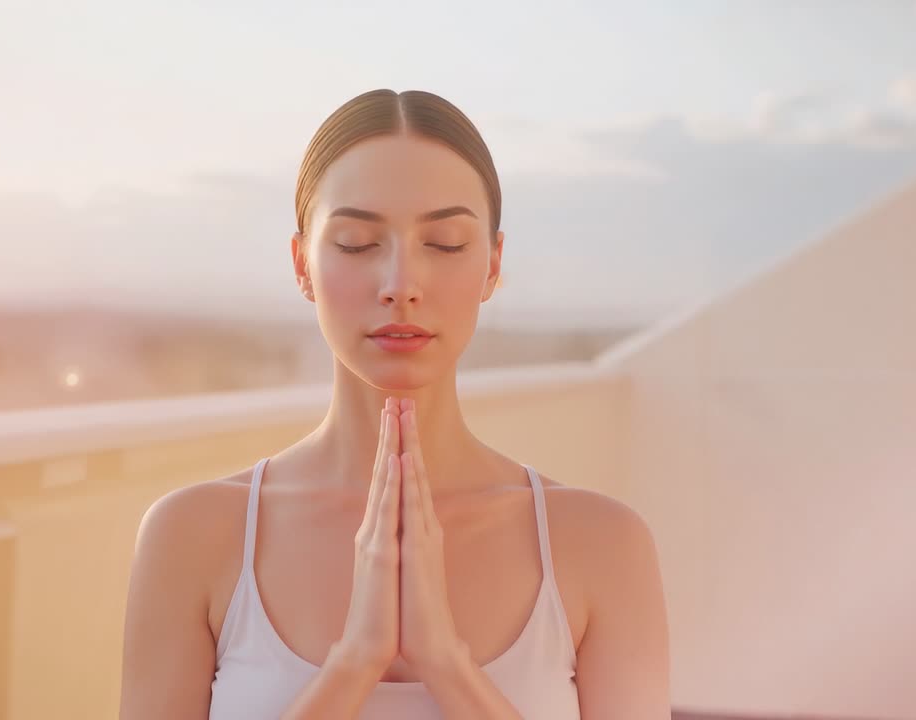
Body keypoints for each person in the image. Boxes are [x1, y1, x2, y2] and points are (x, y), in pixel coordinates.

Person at [118, 88, 671, 719]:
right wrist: (356, 660)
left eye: (445, 243)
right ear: (302, 265)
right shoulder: (193, 536)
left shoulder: (603, 545)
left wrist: (445, 662)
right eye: (357, 243)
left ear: (493, 265)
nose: (401, 285)